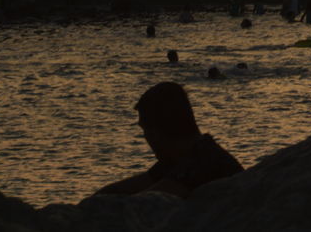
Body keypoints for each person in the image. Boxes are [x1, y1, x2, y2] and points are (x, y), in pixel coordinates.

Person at [96, 82, 243, 197]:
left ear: (155, 133)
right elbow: (124, 189)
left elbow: (144, 202)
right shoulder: (184, 158)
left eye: (145, 130)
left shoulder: (202, 161)